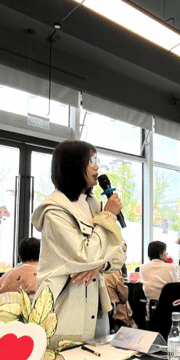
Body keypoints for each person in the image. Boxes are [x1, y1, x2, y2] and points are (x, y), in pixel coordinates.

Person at [31, 140, 125, 345]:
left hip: (97, 306)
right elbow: (85, 256)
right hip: (65, 308)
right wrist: (109, 217)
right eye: (91, 161)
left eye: (96, 160)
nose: (97, 167)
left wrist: (100, 265)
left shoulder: (95, 205)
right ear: (73, 165)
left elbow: (120, 252)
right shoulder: (55, 211)